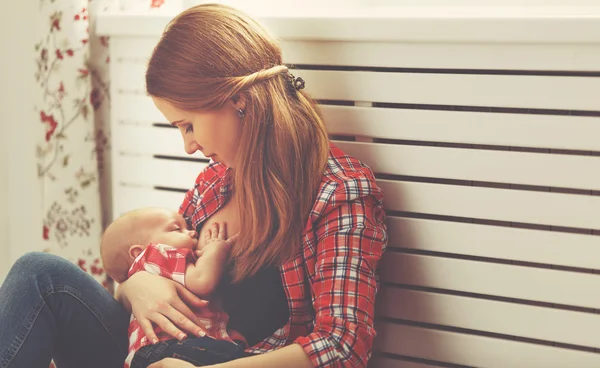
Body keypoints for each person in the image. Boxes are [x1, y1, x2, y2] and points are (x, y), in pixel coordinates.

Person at [0, 3, 387, 368]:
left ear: (239, 100)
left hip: (229, 359)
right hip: (153, 352)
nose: (188, 146)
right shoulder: (213, 185)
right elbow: (153, 273)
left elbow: (343, 345)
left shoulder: (339, 192)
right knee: (39, 273)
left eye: (188, 125)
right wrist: (135, 286)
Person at [99, 207, 246, 367]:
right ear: (138, 252)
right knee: (235, 356)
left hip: (149, 354)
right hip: (170, 347)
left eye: (188, 227)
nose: (192, 232)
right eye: (177, 229)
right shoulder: (155, 254)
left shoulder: (151, 269)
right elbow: (202, 281)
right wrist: (216, 249)